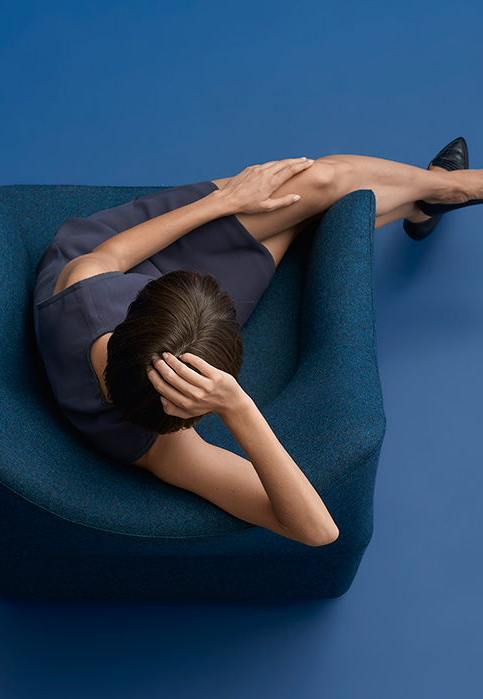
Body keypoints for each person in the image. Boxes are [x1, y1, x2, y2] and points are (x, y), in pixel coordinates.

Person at [33, 138, 481, 548]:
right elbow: (318, 530)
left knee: (319, 182)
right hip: (182, 308)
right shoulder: (156, 446)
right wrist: (238, 408)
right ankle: (431, 198)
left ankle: (450, 188)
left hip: (132, 265)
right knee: (310, 213)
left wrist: (220, 202)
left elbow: (112, 254)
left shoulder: (83, 286)